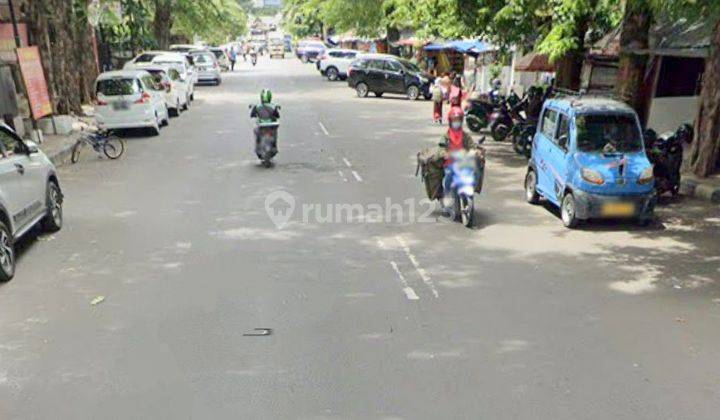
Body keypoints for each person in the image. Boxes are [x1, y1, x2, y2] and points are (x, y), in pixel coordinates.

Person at [441, 107, 476, 206]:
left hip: (463, 162)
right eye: (454, 120)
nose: (456, 122)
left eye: (458, 120)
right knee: (448, 177)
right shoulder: (446, 136)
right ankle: (447, 196)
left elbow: (472, 146)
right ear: (450, 121)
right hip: (450, 164)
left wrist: (475, 151)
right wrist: (444, 153)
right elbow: (441, 148)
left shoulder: (465, 135)